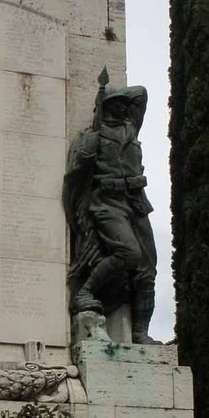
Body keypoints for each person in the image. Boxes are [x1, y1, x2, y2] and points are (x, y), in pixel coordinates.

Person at [63, 70, 158, 343]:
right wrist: (85, 154)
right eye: (115, 103)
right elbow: (76, 176)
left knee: (147, 269)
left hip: (136, 202)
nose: (123, 107)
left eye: (123, 103)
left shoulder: (130, 128)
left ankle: (140, 332)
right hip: (107, 203)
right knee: (129, 253)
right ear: (104, 108)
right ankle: (85, 292)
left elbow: (141, 93)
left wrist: (109, 90)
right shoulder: (91, 137)